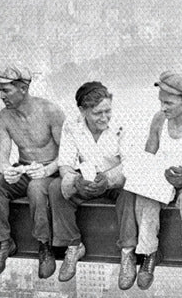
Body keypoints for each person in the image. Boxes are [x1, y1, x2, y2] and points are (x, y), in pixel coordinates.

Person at [127, 71, 182, 290]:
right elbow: (149, 154)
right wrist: (144, 176)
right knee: (146, 199)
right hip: (159, 179)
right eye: (161, 102)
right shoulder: (158, 119)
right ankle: (149, 253)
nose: (163, 107)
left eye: (169, 103)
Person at [0, 65, 66, 278]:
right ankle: (3, 242)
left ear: (23, 88)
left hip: (51, 170)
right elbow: (2, 156)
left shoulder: (51, 111)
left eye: (6, 90)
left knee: (36, 188)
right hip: (25, 168)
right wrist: (6, 170)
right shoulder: (3, 117)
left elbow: (67, 154)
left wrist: (47, 170)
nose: (1, 96)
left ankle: (44, 245)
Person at [54, 81, 138, 287]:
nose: (104, 118)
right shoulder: (71, 125)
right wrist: (75, 179)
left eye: (107, 111)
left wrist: (108, 181)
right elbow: (65, 162)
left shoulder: (123, 123)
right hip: (86, 178)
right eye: (97, 113)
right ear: (83, 111)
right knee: (56, 189)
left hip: (116, 180)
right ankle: (73, 245)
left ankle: (128, 253)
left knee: (130, 192)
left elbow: (131, 163)